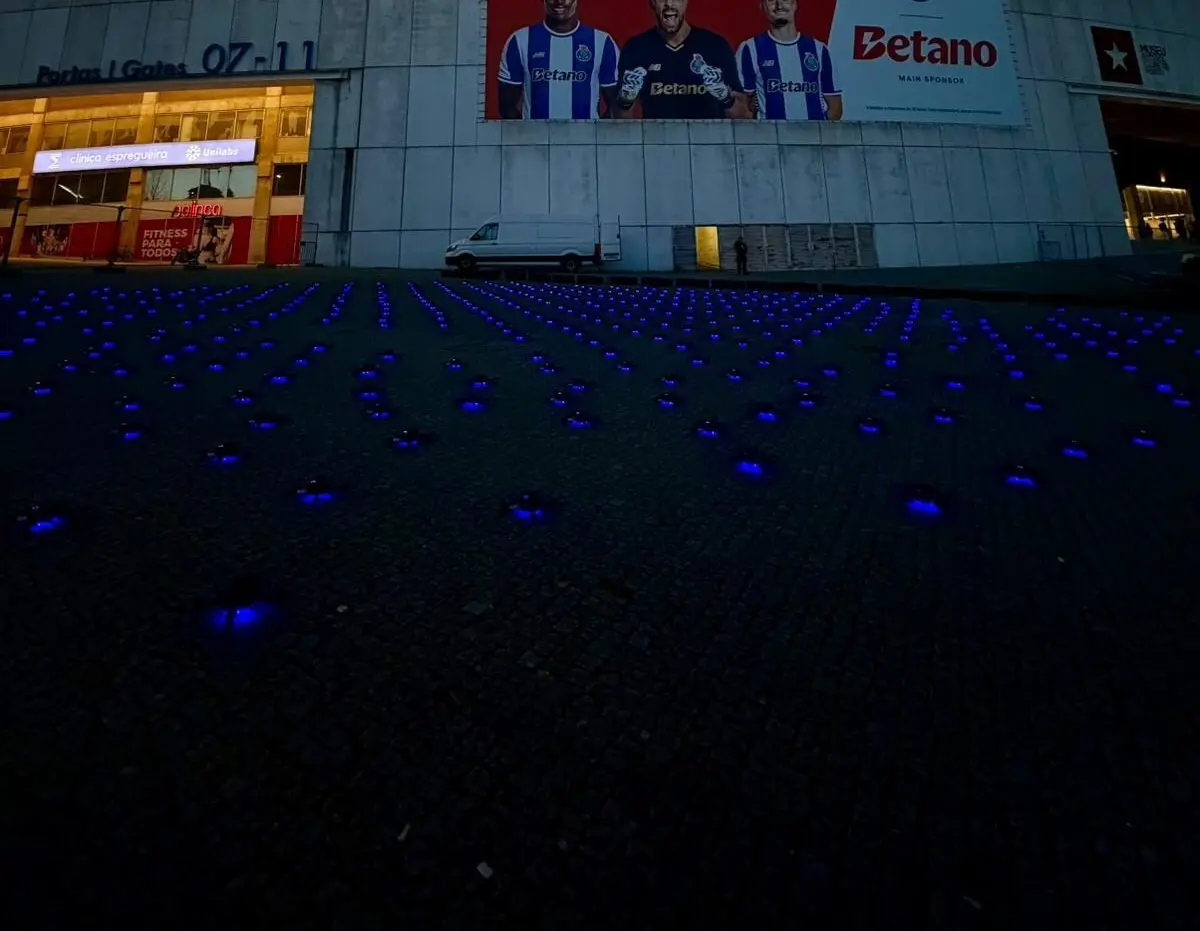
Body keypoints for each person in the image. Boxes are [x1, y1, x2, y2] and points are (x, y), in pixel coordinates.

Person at [615, 0, 751, 120]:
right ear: (652, 3)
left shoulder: (715, 46)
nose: (669, 3)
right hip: (657, 143)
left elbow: (744, 115)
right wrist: (626, 100)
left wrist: (725, 96)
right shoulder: (636, 48)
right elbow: (620, 120)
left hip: (710, 143)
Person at [498, 0, 620, 120]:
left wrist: (595, 135)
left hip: (585, 139)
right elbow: (507, 107)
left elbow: (617, 106)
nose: (560, 1)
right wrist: (528, 135)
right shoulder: (520, 40)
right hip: (536, 139)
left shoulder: (602, 42)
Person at [738, 0, 842, 121]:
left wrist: (816, 135)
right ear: (762, 7)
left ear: (795, 4)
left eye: (785, 0)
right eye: (771, 1)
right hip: (770, 137)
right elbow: (743, 107)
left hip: (812, 137)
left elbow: (835, 107)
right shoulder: (749, 49)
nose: (779, 5)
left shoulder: (820, 50)